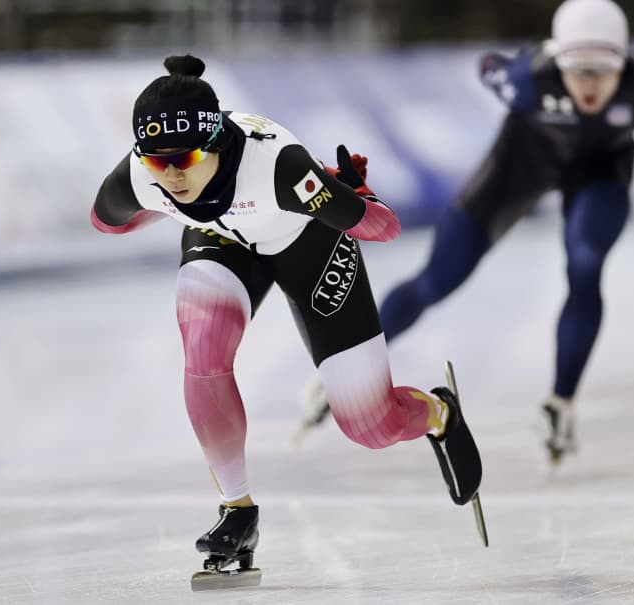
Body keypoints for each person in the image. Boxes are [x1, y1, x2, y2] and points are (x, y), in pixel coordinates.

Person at [91, 54, 483, 588]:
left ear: (217, 141)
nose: (173, 174)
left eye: (183, 157)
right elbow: (106, 223)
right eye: (157, 162)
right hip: (225, 242)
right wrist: (160, 206)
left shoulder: (282, 168)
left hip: (307, 238)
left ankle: (438, 413)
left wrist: (351, 198)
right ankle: (237, 510)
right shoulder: (140, 177)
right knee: (203, 345)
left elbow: (385, 229)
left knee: (371, 426)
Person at [298, 0, 634, 464]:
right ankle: (345, 367)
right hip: (518, 167)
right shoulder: (527, 78)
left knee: (586, 264)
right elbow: (488, 66)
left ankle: (560, 404)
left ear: (622, 64)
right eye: (577, 69)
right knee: (437, 280)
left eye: (601, 71)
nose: (589, 84)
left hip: (600, 174)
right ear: (556, 58)